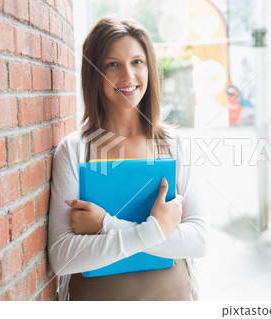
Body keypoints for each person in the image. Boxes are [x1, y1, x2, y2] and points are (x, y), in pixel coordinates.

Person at [48, 17, 208, 301]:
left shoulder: (175, 145)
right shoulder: (74, 150)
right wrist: (155, 231)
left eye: (137, 62)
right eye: (113, 64)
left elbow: (198, 241)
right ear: (94, 72)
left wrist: (107, 226)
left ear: (149, 69)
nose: (128, 76)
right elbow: (63, 258)